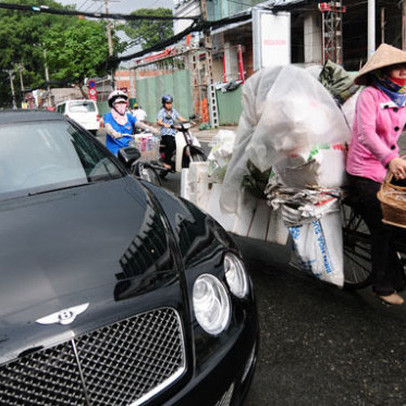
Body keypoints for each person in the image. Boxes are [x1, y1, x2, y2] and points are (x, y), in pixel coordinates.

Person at [346, 43, 406, 305]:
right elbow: (366, 133)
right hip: (365, 170)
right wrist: (391, 158)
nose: (403, 72)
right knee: (383, 226)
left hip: (389, 165)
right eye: (398, 68)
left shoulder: (402, 96)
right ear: (382, 72)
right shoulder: (370, 95)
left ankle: (398, 268)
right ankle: (381, 286)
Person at [157, 94, 187, 170]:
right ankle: (166, 162)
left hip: (175, 133)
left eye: (170, 103)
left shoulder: (174, 111)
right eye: (167, 103)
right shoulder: (162, 112)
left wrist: (189, 122)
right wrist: (165, 124)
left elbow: (180, 118)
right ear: (164, 104)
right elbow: (159, 122)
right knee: (171, 145)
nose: (169, 105)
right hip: (166, 133)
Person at [103, 90, 136, 156]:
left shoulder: (128, 116)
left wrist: (151, 129)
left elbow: (138, 123)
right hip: (114, 150)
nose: (121, 105)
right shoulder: (108, 116)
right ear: (112, 104)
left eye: (123, 102)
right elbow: (107, 127)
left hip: (128, 148)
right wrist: (113, 133)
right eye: (118, 103)